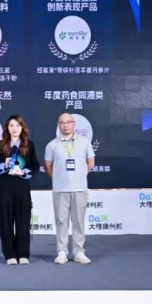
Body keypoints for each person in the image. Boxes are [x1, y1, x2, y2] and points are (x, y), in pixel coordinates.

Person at [44, 112, 95, 265]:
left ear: (73, 124)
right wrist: (58, 178)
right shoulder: (52, 145)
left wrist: (80, 176)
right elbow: (48, 165)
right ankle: (62, 252)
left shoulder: (84, 142)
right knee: (61, 221)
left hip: (80, 188)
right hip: (60, 189)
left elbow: (91, 162)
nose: (65, 125)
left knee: (78, 221)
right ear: (58, 125)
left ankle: (79, 252)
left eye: (68, 122)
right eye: (62, 122)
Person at [0, 115, 40, 265]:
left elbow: (35, 166)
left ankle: (23, 253)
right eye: (11, 125)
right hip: (5, 185)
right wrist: (4, 164)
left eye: (18, 125)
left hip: (22, 186)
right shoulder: (1, 145)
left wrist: (24, 172)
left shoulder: (29, 145)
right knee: (5, 220)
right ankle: (9, 254)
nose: (14, 128)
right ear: (7, 128)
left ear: (22, 128)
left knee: (23, 220)